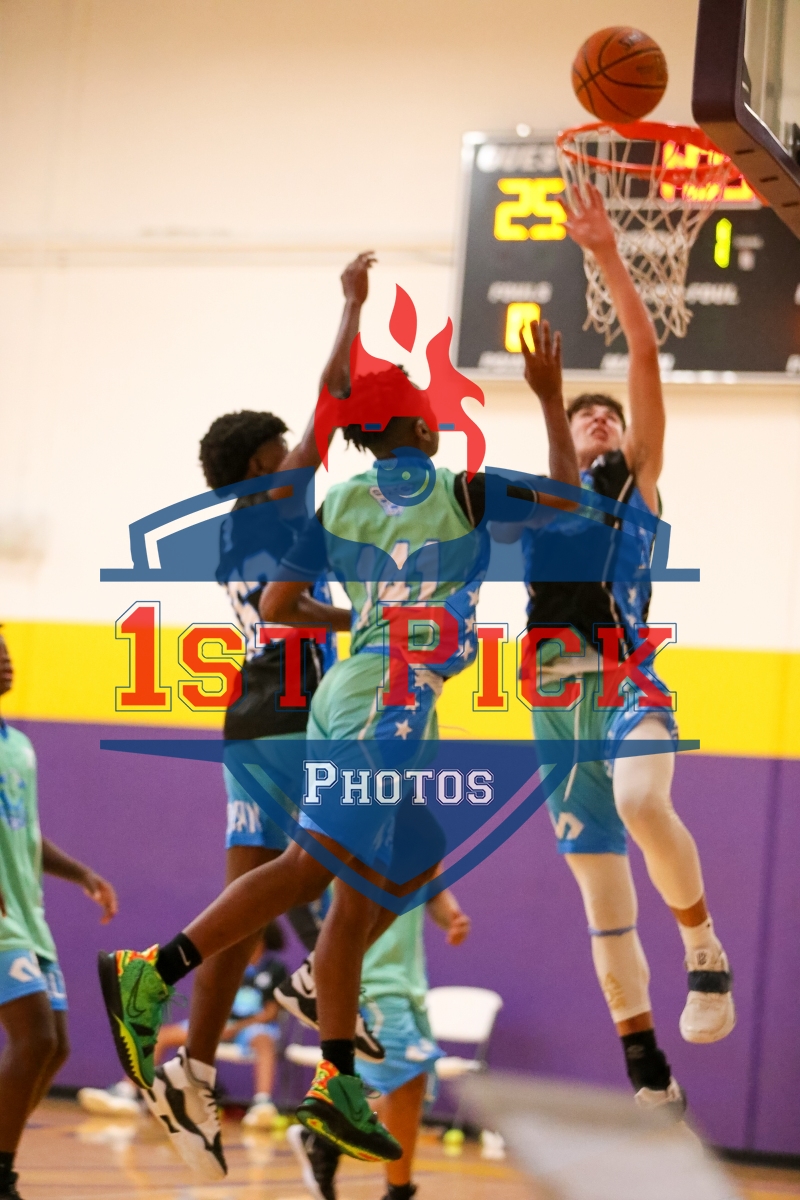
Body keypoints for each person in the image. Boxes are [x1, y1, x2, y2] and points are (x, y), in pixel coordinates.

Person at [98, 317, 580, 1164]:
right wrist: (549, 398)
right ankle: (156, 971)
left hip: (356, 693)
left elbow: (280, 605)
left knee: (395, 861)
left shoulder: (342, 501)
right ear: (422, 425)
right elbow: (571, 503)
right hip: (378, 705)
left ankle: (333, 1074)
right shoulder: (464, 492)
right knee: (312, 870)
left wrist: (364, 617)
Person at [128, 252, 377, 1181]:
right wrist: (349, 309)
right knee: (389, 853)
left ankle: (191, 1071)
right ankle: (316, 989)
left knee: (243, 910)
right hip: (295, 704)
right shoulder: (271, 502)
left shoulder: (237, 527)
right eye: (282, 455)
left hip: (250, 716)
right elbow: (331, 400)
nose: (298, 460)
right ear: (256, 467)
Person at [521, 185, 734, 1110]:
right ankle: (648, 1076)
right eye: (586, 415)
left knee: (643, 800)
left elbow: (644, 353)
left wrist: (606, 253)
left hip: (626, 677)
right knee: (601, 896)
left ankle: (703, 947)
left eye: (610, 416)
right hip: (550, 699)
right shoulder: (541, 501)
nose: (600, 418)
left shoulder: (637, 484)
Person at [0, 630, 117, 1200]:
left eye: (4, 647)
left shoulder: (19, 746)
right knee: (34, 1036)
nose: (5, 657)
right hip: (3, 923)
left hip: (29, 915)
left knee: (55, 1046)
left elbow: (26, 832)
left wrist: (82, 873)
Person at [289, 887, 471, 1200]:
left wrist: (451, 917)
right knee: (409, 1076)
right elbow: (296, 886)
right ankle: (333, 1142)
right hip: (367, 976)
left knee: (410, 1089)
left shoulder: (423, 854)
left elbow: (432, 887)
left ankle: (327, 1141)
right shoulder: (347, 853)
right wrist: (322, 948)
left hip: (409, 980)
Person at [78, 921, 289, 1128]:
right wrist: (217, 1024)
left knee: (265, 1042)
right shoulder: (227, 962)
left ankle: (262, 1103)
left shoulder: (275, 968)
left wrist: (236, 1028)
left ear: (261, 937)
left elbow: (270, 1013)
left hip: (250, 1028)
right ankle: (126, 1091)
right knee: (160, 1035)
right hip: (219, 1023)